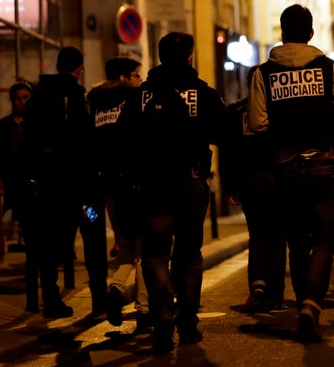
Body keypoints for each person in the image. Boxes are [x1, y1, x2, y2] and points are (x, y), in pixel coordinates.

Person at [247, 4, 334, 342]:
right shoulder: (331, 69)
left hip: (284, 167)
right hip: (324, 163)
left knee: (296, 241)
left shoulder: (263, 73)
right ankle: (310, 306)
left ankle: (303, 302)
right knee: (324, 238)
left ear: (282, 33)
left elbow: (257, 124)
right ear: (311, 33)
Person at [122, 32, 230, 353]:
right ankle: (188, 323)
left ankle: (162, 312)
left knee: (154, 254)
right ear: (190, 58)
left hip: (153, 186)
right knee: (189, 256)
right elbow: (223, 133)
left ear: (159, 57)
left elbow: (125, 141)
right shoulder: (203, 94)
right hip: (192, 184)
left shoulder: (141, 96)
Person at [22, 46, 108, 318]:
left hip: (50, 190)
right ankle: (98, 299)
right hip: (83, 190)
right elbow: (89, 141)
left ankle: (51, 299)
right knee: (94, 241)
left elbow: (28, 142)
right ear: (78, 68)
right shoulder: (79, 98)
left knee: (50, 245)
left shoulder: (37, 98)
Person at [86, 57, 150, 331]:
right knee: (145, 252)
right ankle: (145, 310)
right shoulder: (134, 101)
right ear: (124, 78)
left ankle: (115, 289)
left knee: (125, 249)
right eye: (136, 75)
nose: (139, 79)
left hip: (109, 189)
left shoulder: (94, 105)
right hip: (136, 185)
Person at [222, 66, 287, 313]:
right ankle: (276, 294)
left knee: (257, 234)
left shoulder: (235, 111)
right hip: (277, 179)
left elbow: (227, 152)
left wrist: (231, 185)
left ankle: (257, 286)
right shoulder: (278, 110)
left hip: (248, 181)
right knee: (278, 237)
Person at [0, 81, 37, 311]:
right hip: (16, 185)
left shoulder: (37, 123)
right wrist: (0, 179)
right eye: (18, 98)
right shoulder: (4, 126)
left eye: (25, 97)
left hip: (35, 185)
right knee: (29, 232)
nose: (22, 101)